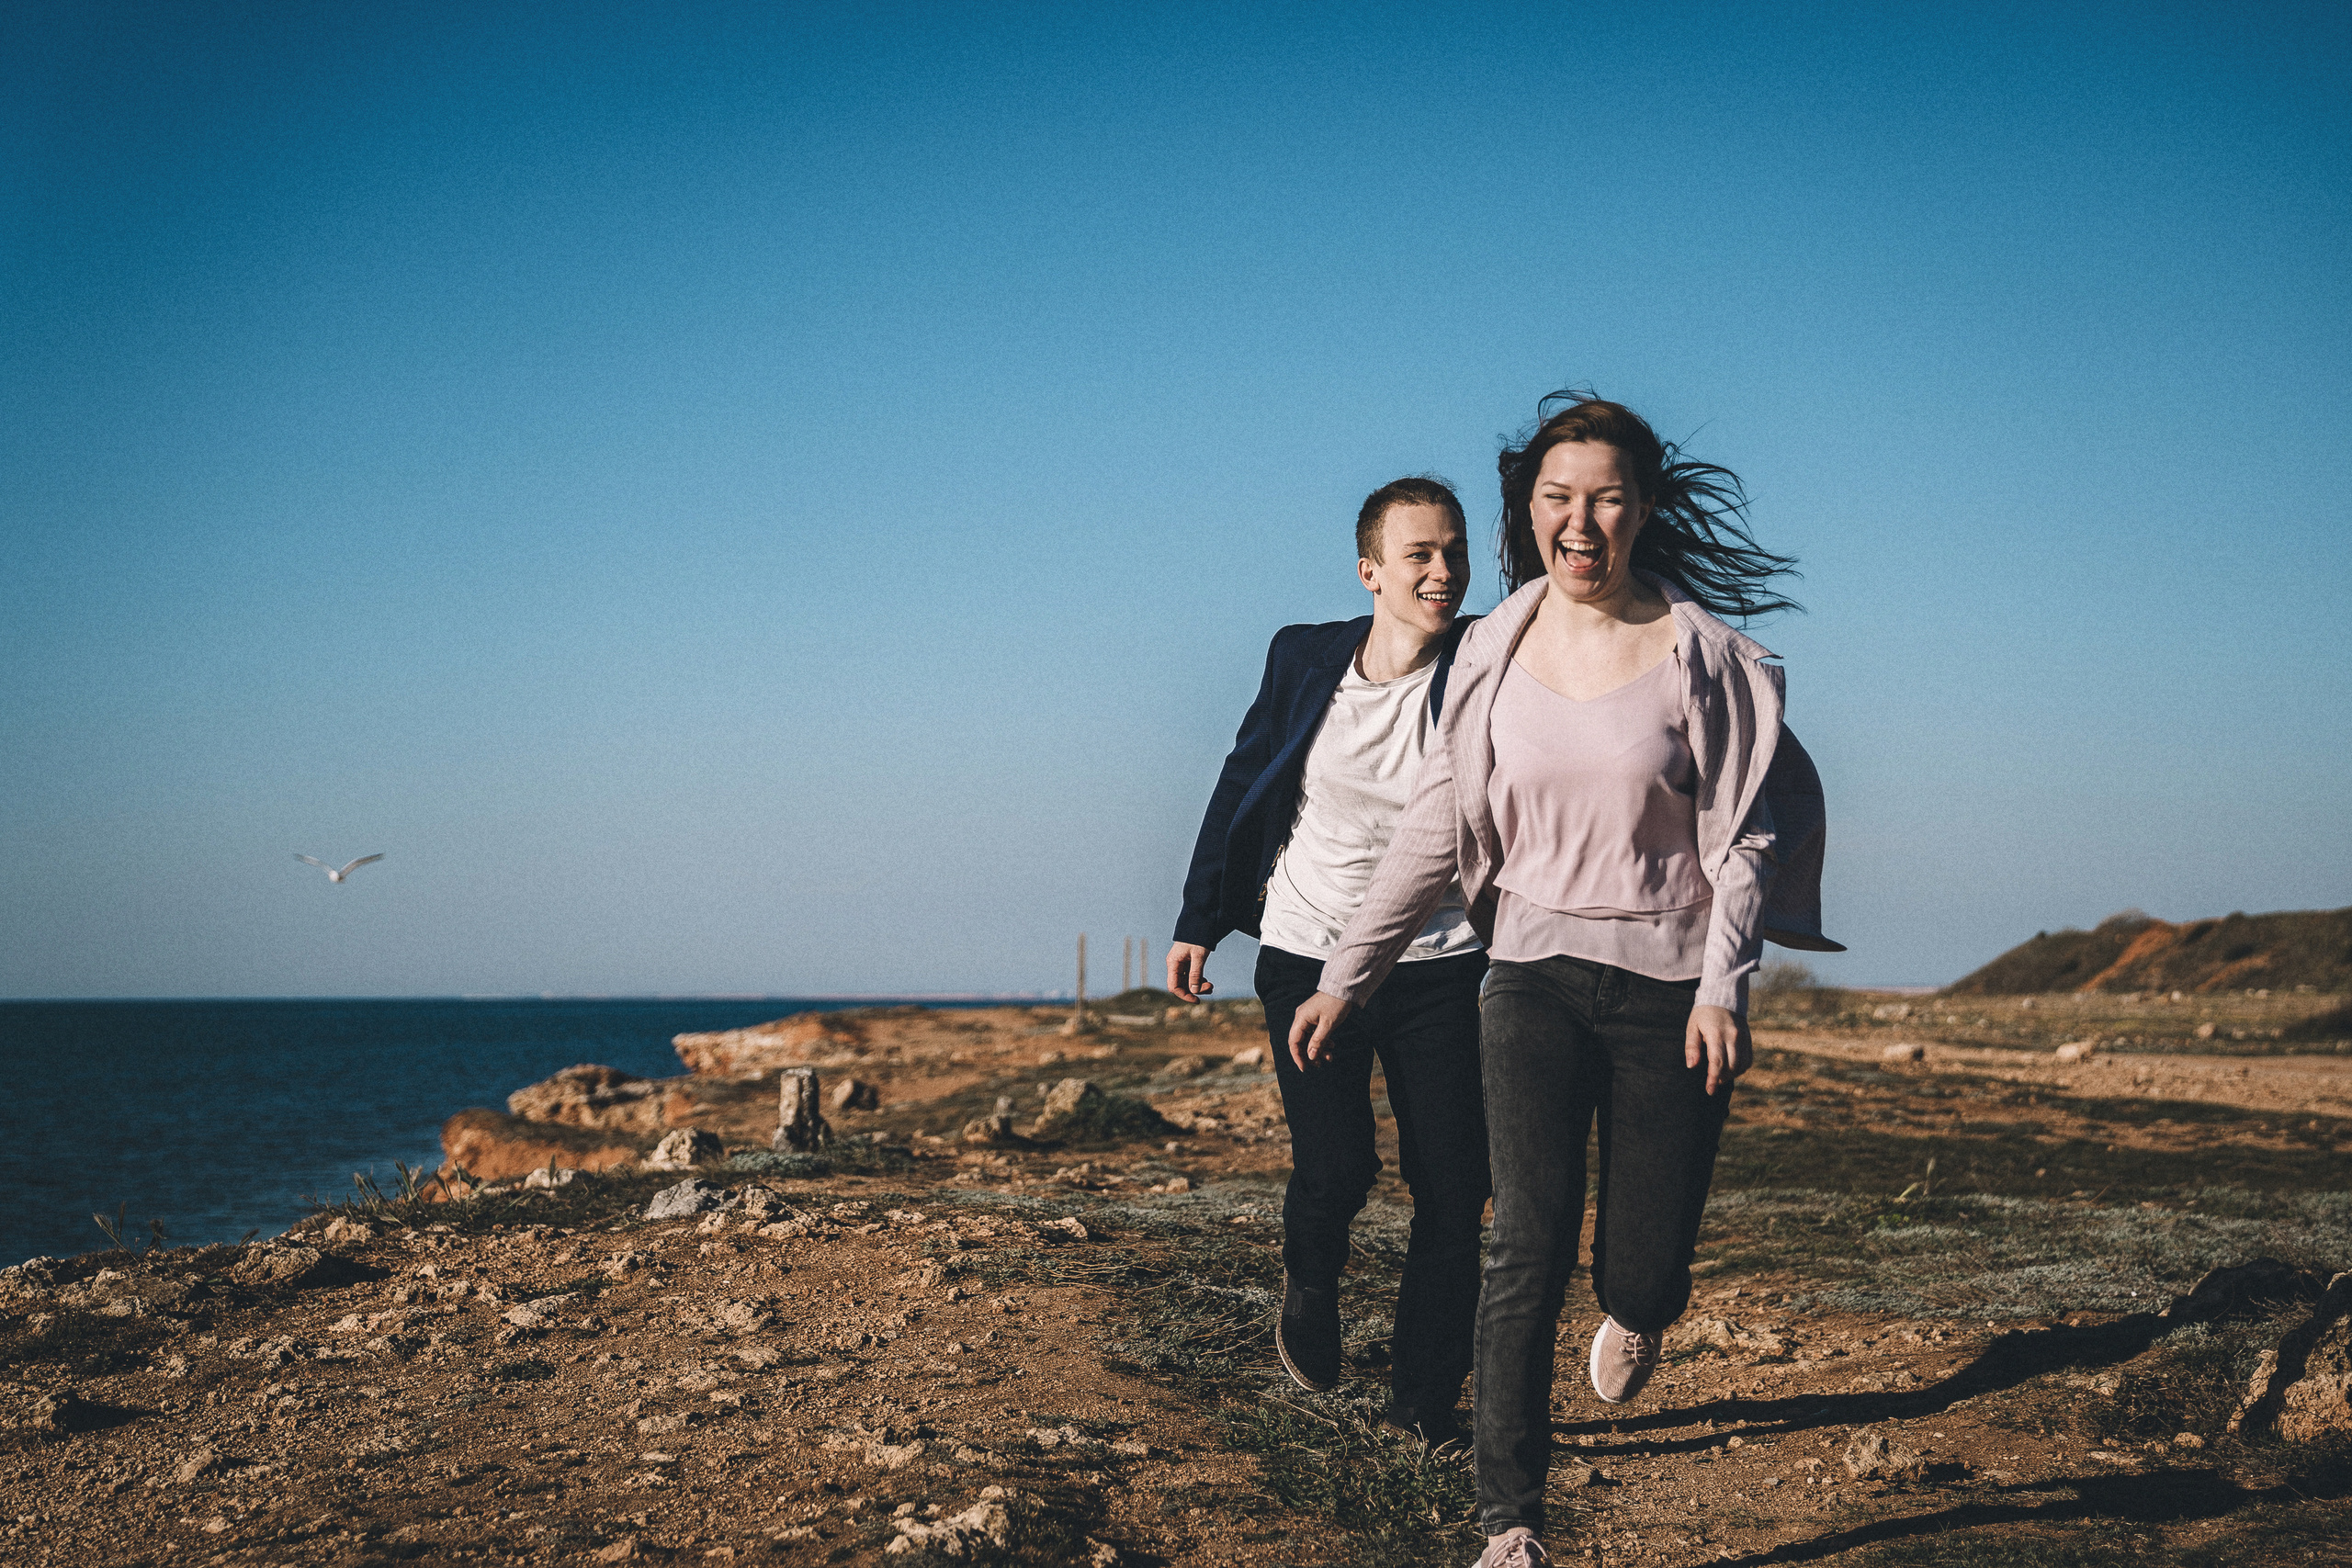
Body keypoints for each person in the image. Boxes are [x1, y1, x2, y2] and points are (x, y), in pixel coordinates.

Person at [1287, 394, 1839, 1567]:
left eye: (1601, 498)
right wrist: (1349, 974)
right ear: (1528, 512)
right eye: (1554, 498)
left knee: (1639, 1265)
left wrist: (1722, 986)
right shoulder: (1492, 649)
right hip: (1527, 973)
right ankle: (1509, 1522)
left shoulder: (1709, 657)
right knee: (1520, 1241)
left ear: (1640, 510)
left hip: (1668, 985)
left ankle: (1640, 1310)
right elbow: (1436, 826)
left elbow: (1743, 836)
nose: (1576, 521)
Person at [1169, 475, 1492, 1443]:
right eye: (1419, 556)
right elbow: (1244, 777)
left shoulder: (1487, 659)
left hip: (1443, 958)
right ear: (1370, 573)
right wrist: (1200, 917)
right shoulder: (1304, 658)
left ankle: (1421, 1405)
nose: (1443, 572)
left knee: (1453, 1185)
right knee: (1337, 1167)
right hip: (1307, 951)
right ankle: (1310, 1279)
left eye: (1454, 552)